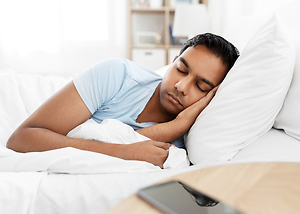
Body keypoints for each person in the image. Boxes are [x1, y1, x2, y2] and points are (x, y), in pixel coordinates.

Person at [6, 33, 239, 168]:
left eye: (201, 86)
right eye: (180, 69)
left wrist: (177, 128)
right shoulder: (118, 75)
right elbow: (21, 138)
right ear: (173, 60)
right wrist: (123, 152)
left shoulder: (191, 139)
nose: (181, 86)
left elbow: (141, 147)